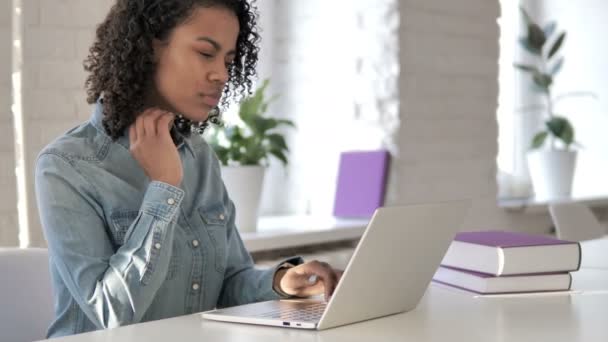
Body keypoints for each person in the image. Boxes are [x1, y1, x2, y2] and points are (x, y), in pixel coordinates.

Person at [35, 0, 340, 338]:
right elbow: (112, 312)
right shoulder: (67, 165)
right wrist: (164, 187)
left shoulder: (199, 156)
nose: (222, 74)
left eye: (228, 61)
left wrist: (283, 281)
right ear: (151, 47)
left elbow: (230, 281)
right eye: (206, 53)